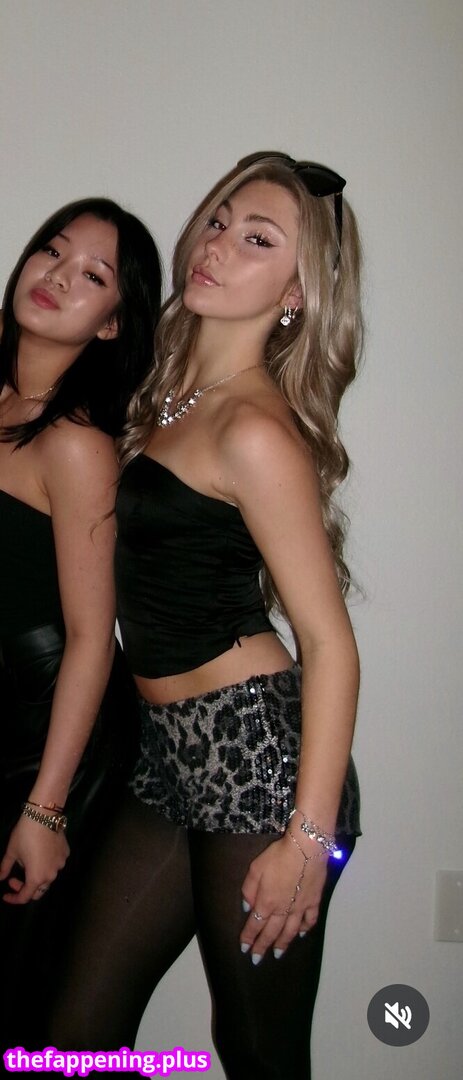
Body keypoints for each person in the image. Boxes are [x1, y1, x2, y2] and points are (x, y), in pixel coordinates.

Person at [52, 153, 363, 1079]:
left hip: (257, 763)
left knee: (261, 1053)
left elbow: (329, 644)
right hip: (166, 755)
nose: (217, 245)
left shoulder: (253, 430)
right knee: (73, 1039)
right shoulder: (175, 398)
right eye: (220, 221)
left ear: (297, 296)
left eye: (257, 240)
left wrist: (308, 840)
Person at [0, 196, 162, 1058]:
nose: (58, 276)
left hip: (51, 734)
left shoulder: (76, 446)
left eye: (92, 275)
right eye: (52, 252)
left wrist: (46, 809)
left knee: (24, 991)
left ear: (111, 324)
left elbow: (94, 639)